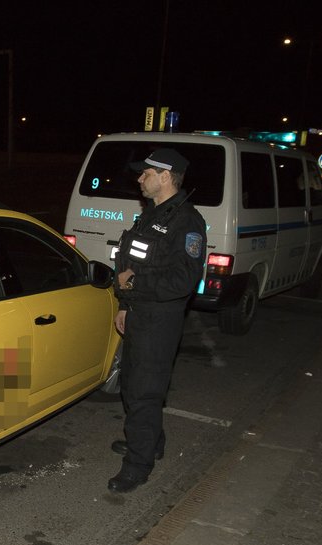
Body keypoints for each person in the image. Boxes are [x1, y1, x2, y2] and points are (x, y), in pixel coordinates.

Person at [108, 148, 207, 493]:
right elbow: (132, 262)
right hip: (137, 313)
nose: (140, 179)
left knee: (144, 392)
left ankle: (138, 464)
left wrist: (133, 284)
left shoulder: (187, 221)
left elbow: (183, 280)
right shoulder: (152, 215)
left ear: (166, 177)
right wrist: (124, 303)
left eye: (146, 173)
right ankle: (150, 441)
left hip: (159, 320)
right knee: (134, 385)